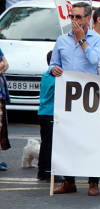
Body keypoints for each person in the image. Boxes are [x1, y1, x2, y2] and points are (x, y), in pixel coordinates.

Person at [50, 3, 100, 196]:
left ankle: (93, 182)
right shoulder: (61, 40)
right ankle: (69, 181)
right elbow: (53, 63)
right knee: (67, 139)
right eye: (72, 17)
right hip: (68, 98)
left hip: (89, 98)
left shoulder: (97, 39)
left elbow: (93, 60)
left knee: (90, 140)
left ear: (88, 18)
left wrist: (82, 40)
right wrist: (53, 69)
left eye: (78, 17)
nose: (74, 21)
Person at [37, 51, 55, 181]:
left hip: (44, 112)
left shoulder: (45, 74)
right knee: (49, 144)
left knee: (45, 143)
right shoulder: (52, 76)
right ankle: (48, 170)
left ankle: (42, 170)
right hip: (50, 112)